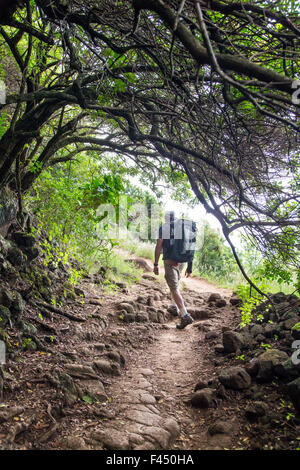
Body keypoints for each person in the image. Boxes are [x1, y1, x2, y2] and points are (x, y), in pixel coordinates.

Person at [153, 211, 194, 329]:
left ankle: (185, 315)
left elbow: (159, 244)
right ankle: (173, 306)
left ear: (166, 219)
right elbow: (190, 246)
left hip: (170, 260)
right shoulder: (184, 228)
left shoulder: (164, 227)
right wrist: (189, 267)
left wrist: (155, 264)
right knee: (174, 284)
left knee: (174, 287)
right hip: (182, 260)